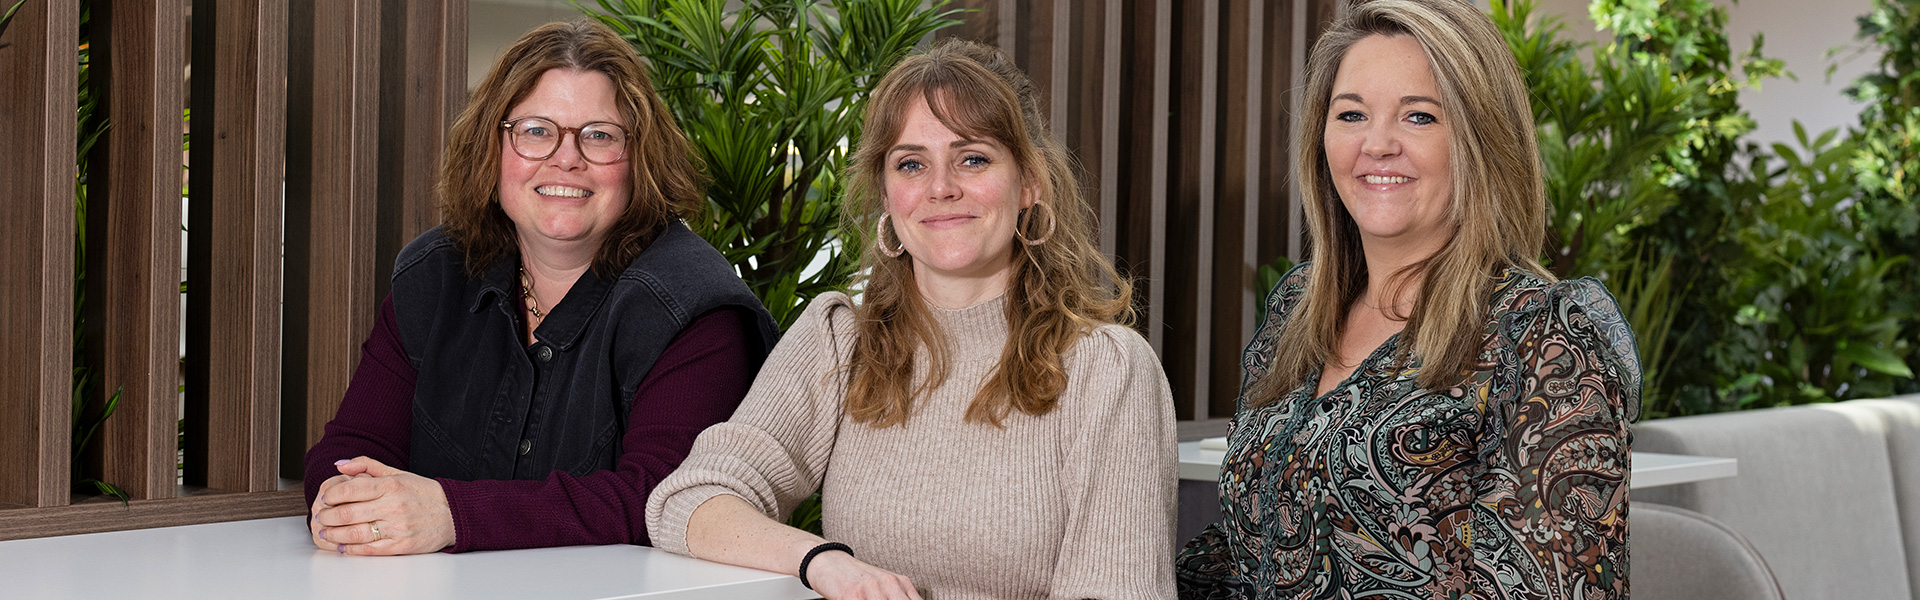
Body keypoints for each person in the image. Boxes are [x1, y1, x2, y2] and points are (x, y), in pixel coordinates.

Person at [645, 39, 1177, 599]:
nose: (941, 188)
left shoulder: (1107, 369)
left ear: (1029, 183)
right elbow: (689, 500)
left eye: (973, 158)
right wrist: (822, 561)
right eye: (912, 164)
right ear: (886, 194)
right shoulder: (840, 341)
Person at [1174, 1, 1640, 598]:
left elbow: (1553, 584)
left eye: (1419, 116)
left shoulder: (1544, 332)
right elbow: (1250, 549)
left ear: (1480, 140)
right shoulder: (1299, 309)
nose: (1377, 144)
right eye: (1351, 114)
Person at [301, 20, 779, 555]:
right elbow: (351, 448)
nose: (566, 158)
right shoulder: (437, 274)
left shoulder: (695, 310)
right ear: (492, 149)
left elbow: (665, 499)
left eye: (599, 135)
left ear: (640, 160)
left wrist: (453, 515)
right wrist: (349, 504)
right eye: (535, 131)